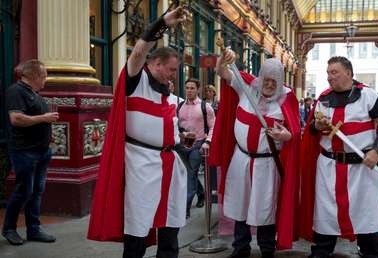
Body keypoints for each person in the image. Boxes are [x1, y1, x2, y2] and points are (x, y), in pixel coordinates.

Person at [87, 7, 187, 258]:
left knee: (170, 226)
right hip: (142, 163)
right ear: (155, 64)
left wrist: (179, 139)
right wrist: (161, 23)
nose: (175, 75)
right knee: (138, 226)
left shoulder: (170, 95)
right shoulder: (136, 81)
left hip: (170, 164)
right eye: (172, 69)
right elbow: (140, 50)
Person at [298, 56, 378, 258]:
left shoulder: (368, 96)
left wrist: (376, 151)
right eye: (328, 73)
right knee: (326, 215)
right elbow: (312, 131)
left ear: (349, 73)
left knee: (366, 217)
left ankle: (370, 253)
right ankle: (321, 253)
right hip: (329, 168)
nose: (329, 77)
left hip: (362, 170)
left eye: (334, 72)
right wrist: (317, 126)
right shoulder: (323, 99)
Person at [210, 48, 300, 258]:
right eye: (267, 79)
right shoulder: (246, 87)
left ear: (280, 82)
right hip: (241, 159)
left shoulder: (287, 99)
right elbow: (222, 72)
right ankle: (241, 248)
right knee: (240, 205)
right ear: (260, 77)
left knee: (265, 207)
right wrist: (224, 59)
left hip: (267, 164)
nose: (269, 84)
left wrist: (287, 136)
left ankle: (267, 249)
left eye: (274, 82)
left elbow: (295, 133)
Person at [2, 59, 59, 245]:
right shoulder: (16, 91)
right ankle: (9, 229)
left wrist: (47, 134)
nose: (45, 80)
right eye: (44, 76)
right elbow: (16, 119)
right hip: (25, 152)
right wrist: (44, 118)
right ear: (34, 75)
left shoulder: (35, 93)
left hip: (41, 151)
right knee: (23, 191)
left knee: (36, 191)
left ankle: (33, 229)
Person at [177, 78, 215, 218]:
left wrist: (208, 142)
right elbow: (177, 125)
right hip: (182, 144)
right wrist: (181, 133)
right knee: (188, 173)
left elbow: (213, 127)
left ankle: (185, 207)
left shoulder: (205, 107)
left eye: (192, 88)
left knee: (190, 173)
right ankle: (201, 194)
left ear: (198, 89)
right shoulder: (180, 106)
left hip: (198, 144)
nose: (189, 90)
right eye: (187, 88)